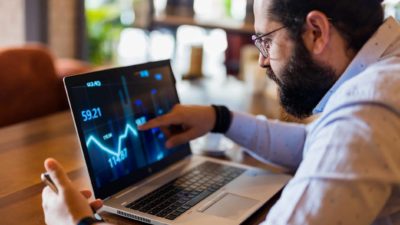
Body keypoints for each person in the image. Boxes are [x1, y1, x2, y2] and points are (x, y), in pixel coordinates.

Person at [42, 0, 400, 224]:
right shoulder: (384, 75)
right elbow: (313, 143)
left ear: (316, 31)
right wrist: (219, 118)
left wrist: (78, 223)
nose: (261, 60)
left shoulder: (366, 112)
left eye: (266, 40)